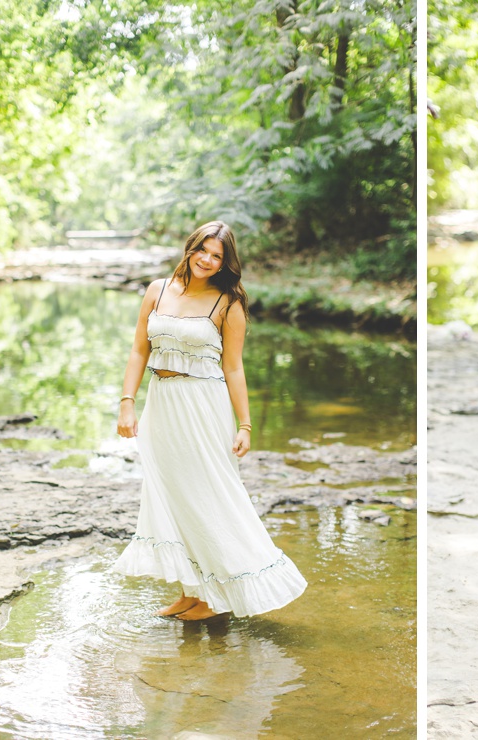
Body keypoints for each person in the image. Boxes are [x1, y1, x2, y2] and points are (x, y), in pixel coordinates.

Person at [112, 221, 307, 621]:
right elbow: (138, 351)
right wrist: (127, 403)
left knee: (208, 495)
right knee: (174, 495)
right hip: (162, 403)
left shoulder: (227, 303)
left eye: (217, 256)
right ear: (190, 248)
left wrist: (245, 425)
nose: (207, 259)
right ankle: (192, 591)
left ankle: (216, 597)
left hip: (203, 404)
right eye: (202, 249)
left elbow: (233, 367)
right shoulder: (157, 290)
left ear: (224, 263)